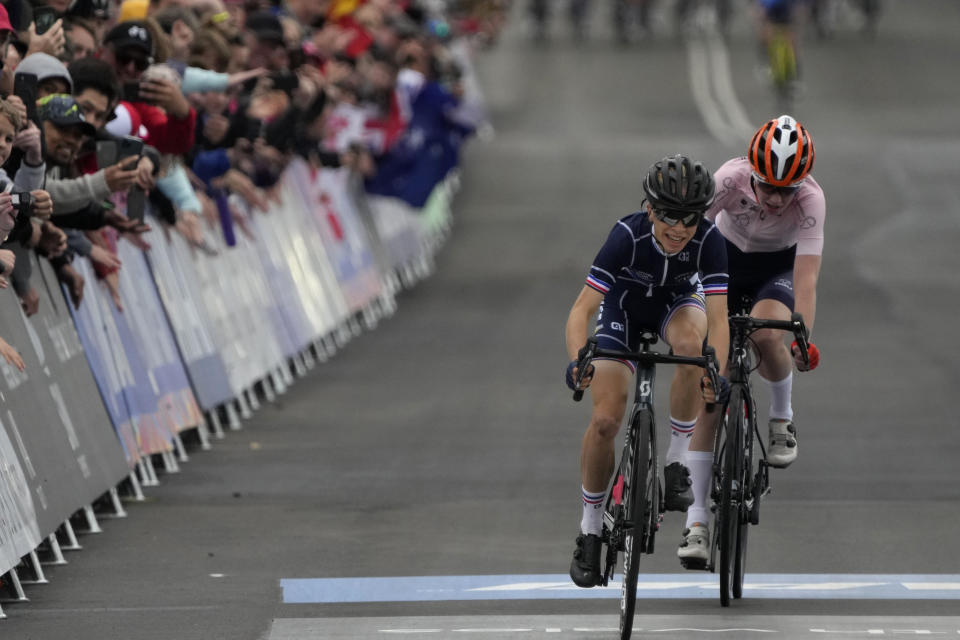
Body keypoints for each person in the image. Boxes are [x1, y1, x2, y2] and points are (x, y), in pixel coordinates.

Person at [565, 154, 730, 588]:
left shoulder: (710, 241)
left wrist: (719, 369)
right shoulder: (626, 236)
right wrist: (577, 359)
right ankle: (590, 529)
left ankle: (676, 461)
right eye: (668, 217)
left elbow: (720, 317)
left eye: (690, 219)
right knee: (604, 420)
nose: (678, 230)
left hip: (675, 306)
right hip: (623, 308)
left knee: (694, 348)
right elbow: (581, 310)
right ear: (650, 208)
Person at [676, 114, 823, 567]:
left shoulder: (812, 200)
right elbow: (688, 237)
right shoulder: (729, 179)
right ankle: (697, 521)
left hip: (775, 270)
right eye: (769, 188)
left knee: (767, 331)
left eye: (788, 190)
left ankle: (782, 418)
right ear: (752, 177)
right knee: (711, 390)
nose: (778, 199)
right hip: (725, 263)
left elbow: (807, 279)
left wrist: (802, 336)